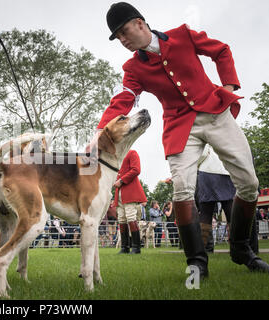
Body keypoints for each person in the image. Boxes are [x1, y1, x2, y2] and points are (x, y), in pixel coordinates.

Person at [94, 2, 269, 276]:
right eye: (117, 37)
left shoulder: (183, 35)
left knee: (249, 184)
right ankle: (197, 262)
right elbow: (124, 98)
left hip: (215, 113)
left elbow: (221, 50)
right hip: (179, 127)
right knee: (182, 191)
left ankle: (241, 250)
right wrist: (99, 131)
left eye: (124, 32)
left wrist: (228, 86)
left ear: (140, 23)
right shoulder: (132, 68)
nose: (123, 40)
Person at [114, 150, 147, 254]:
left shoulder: (132, 152)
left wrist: (122, 180)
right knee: (121, 219)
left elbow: (136, 170)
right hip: (118, 192)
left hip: (129, 190)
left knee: (131, 217)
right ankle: (125, 247)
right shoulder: (117, 156)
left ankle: (136, 247)